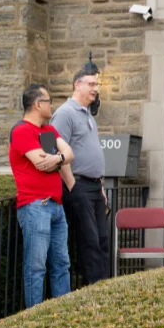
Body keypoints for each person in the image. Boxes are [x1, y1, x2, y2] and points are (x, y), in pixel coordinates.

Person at [9, 83, 75, 308]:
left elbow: (68, 153)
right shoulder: (22, 131)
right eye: (49, 101)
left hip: (56, 207)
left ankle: (63, 315)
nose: (52, 106)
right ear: (38, 104)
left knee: (62, 264)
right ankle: (34, 320)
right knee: (36, 267)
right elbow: (41, 164)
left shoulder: (48, 131)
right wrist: (59, 158)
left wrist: (57, 158)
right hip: (35, 206)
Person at [50, 57, 111, 285]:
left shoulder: (87, 115)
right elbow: (57, 152)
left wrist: (101, 186)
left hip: (94, 187)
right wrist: (72, 185)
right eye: (91, 84)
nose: (95, 89)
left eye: (97, 85)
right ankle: (93, 294)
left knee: (103, 239)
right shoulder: (65, 113)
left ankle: (104, 288)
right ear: (77, 84)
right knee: (90, 242)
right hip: (79, 186)